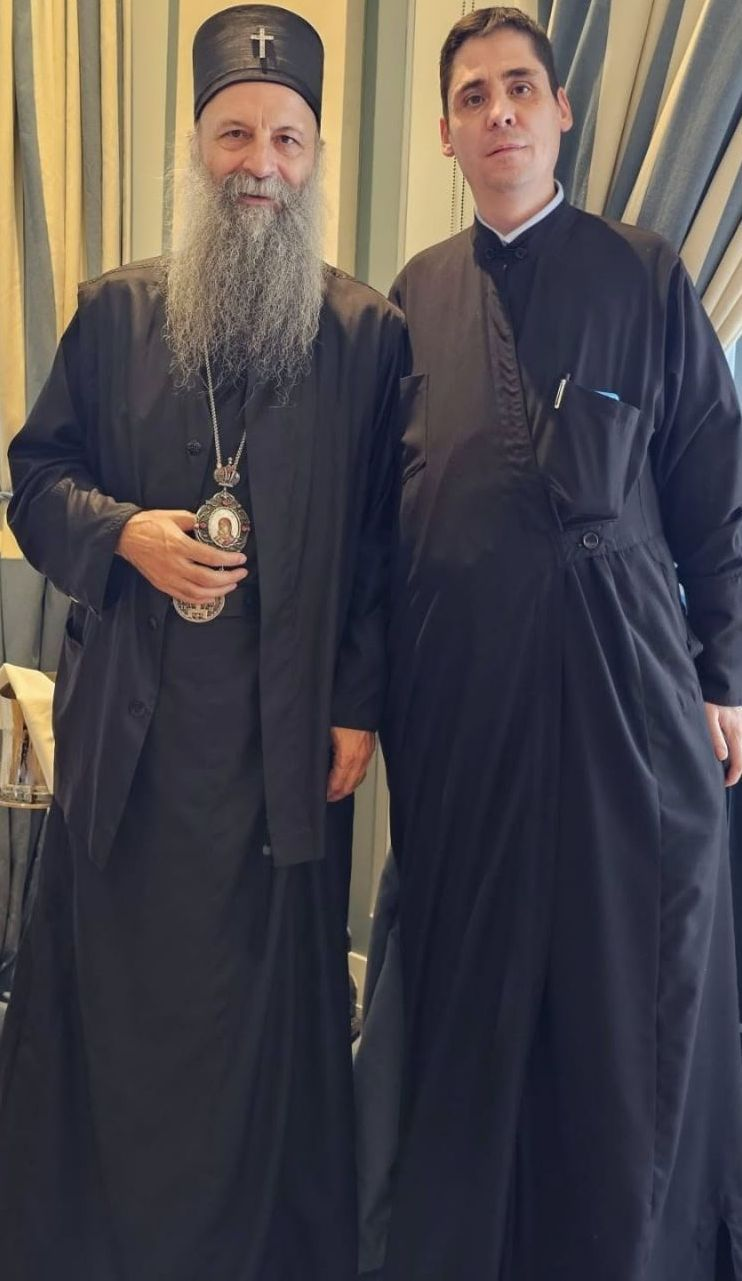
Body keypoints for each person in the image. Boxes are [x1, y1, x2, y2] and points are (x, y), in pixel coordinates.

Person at [0, 6, 402, 1280]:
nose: (258, 164)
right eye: (234, 134)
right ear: (196, 146)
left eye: (285, 138)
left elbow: (385, 548)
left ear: (315, 157)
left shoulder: (366, 336)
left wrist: (357, 702)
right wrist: (122, 534)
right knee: (126, 1029)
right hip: (135, 752)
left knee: (255, 1032)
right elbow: (34, 480)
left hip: (282, 761)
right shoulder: (116, 314)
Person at [357, 8, 742, 1280]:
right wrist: (366, 696)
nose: (501, 112)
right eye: (473, 97)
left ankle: (624, 1247)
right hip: (460, 706)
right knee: (469, 985)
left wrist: (726, 674)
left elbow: (711, 491)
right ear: (447, 133)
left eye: (520, 87)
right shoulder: (414, 297)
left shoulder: (644, 273)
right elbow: (375, 529)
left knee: (622, 979)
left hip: (622, 702)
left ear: (562, 111)